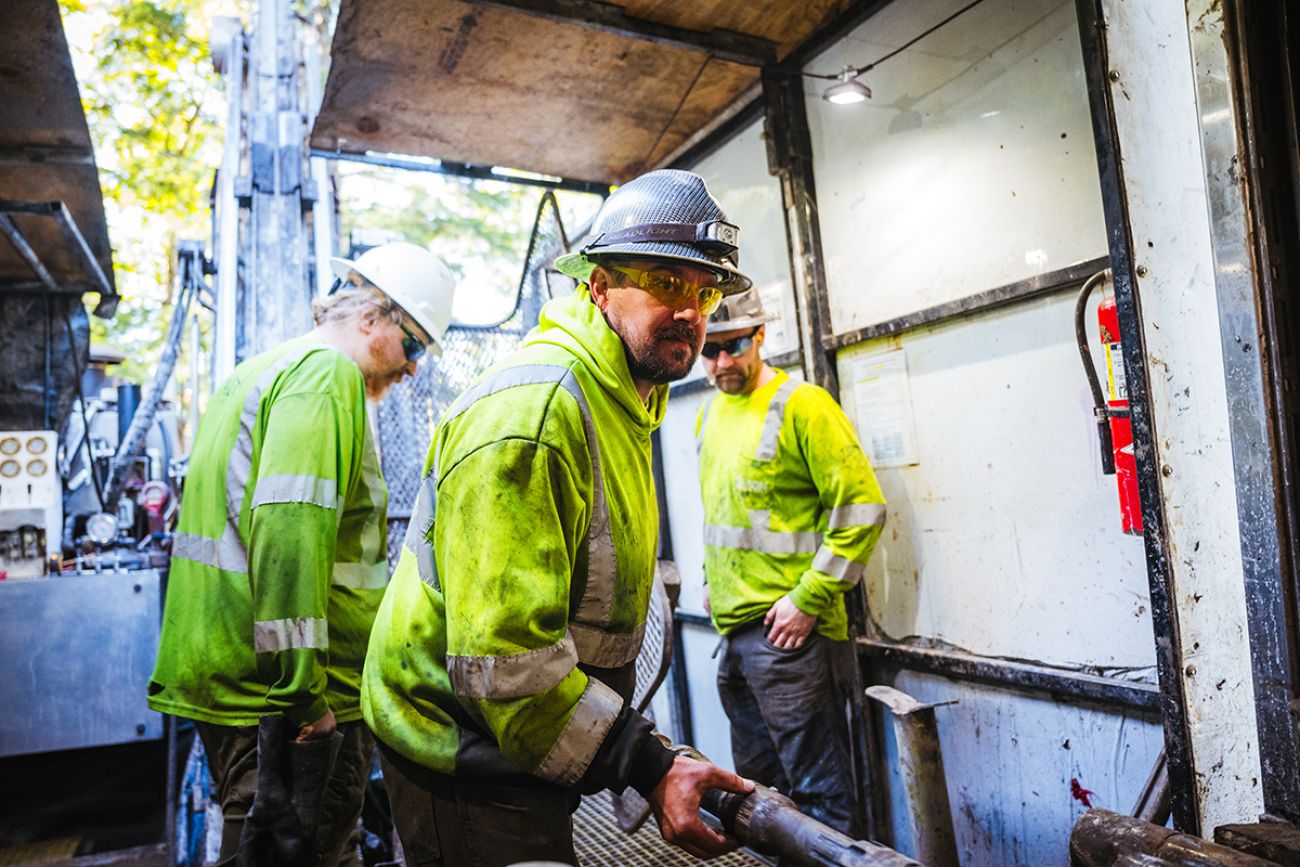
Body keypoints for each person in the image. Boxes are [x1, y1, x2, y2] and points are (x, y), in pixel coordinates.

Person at [362, 169, 754, 866]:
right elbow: (505, 665)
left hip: (521, 739)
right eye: (666, 282)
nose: (693, 309)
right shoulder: (535, 415)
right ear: (597, 286)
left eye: (705, 290)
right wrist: (649, 764)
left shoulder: (626, 402)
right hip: (463, 750)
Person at [148, 242, 457, 866]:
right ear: (374, 315)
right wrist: (303, 696)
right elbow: (290, 536)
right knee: (311, 853)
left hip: (229, 673)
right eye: (415, 345)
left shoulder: (258, 371)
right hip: (289, 697)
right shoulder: (326, 376)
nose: (414, 368)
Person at [696, 289, 886, 837]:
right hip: (734, 633)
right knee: (757, 792)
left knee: (819, 795)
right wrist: (713, 580)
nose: (721, 364)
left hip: (788, 638)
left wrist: (808, 600)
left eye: (733, 347)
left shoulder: (803, 404)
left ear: (760, 337)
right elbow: (725, 508)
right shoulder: (709, 414)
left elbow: (862, 509)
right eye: (710, 351)